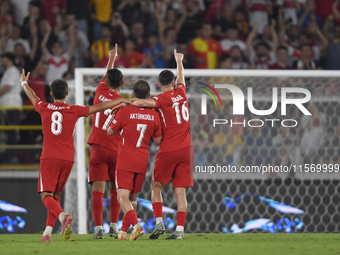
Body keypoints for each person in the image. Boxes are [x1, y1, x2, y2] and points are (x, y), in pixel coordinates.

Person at [19, 68, 135, 242]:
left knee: (46, 196)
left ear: (51, 93)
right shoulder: (74, 109)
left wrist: (24, 83)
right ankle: (47, 233)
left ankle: (63, 217)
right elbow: (99, 107)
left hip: (49, 157)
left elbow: (33, 97)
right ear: (67, 93)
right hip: (68, 159)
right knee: (56, 196)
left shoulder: (43, 107)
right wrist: (121, 101)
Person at [131, 49, 193, 240]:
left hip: (169, 149)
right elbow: (181, 77)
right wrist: (179, 61)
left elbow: (142, 103)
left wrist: (127, 101)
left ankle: (159, 224)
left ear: (158, 84)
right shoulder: (181, 91)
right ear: (173, 83)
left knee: (156, 186)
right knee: (180, 191)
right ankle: (180, 231)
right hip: (186, 149)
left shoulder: (160, 99)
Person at [107, 80, 162, 241]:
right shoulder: (155, 115)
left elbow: (110, 131)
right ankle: (123, 232)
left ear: (133, 95)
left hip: (125, 158)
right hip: (142, 159)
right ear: (148, 96)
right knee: (133, 199)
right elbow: (158, 140)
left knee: (121, 197)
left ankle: (137, 226)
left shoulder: (125, 111)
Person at [87, 44, 123, 240]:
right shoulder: (123, 103)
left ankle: (98, 228)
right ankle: (114, 227)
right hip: (116, 149)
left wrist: (111, 58)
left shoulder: (100, 91)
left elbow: (105, 75)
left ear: (106, 81)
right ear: (122, 83)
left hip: (98, 149)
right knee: (115, 190)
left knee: (97, 191)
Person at [0, 52, 21, 163]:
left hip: (11, 105)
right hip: (6, 105)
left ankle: (12, 157)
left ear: (9, 59)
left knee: (11, 132)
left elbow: (8, 87)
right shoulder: (8, 72)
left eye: (3, 58)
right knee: (7, 133)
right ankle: (7, 156)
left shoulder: (13, 71)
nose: (2, 60)